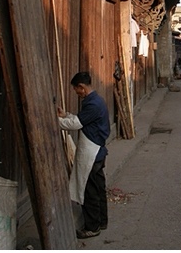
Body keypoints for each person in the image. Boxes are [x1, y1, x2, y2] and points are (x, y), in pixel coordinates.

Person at [57, 72, 110, 239]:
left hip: (92, 153)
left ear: (81, 87)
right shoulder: (96, 101)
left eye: (76, 90)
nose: (76, 93)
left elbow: (76, 124)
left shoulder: (92, 104)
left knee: (90, 192)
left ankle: (92, 227)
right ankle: (102, 221)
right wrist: (65, 115)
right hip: (97, 152)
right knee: (99, 189)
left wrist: (54, 120)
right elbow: (81, 120)